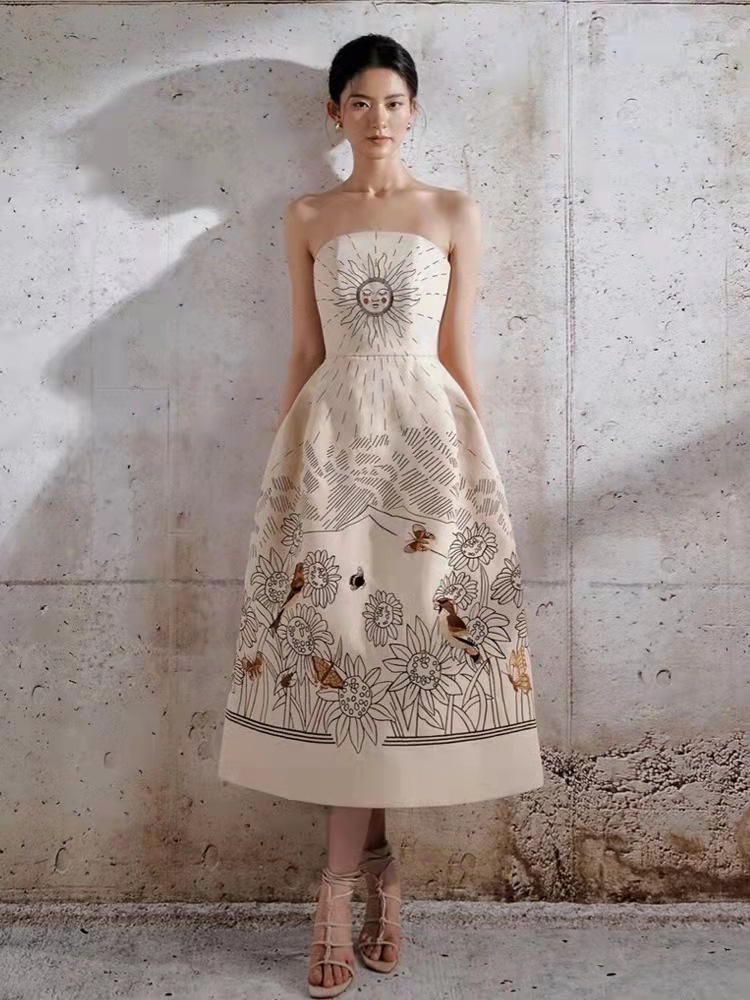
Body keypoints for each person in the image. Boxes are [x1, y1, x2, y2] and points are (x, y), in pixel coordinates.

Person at [217, 33, 544, 999]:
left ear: (414, 110)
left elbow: (458, 348)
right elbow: (303, 350)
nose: (379, 118)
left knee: (396, 663)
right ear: (335, 113)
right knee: (347, 658)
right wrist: (284, 466)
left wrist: (480, 466)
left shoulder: (453, 211)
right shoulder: (306, 216)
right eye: (360, 102)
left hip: (427, 444)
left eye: (394, 102)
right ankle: (368, 880)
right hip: (330, 444)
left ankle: (352, 888)